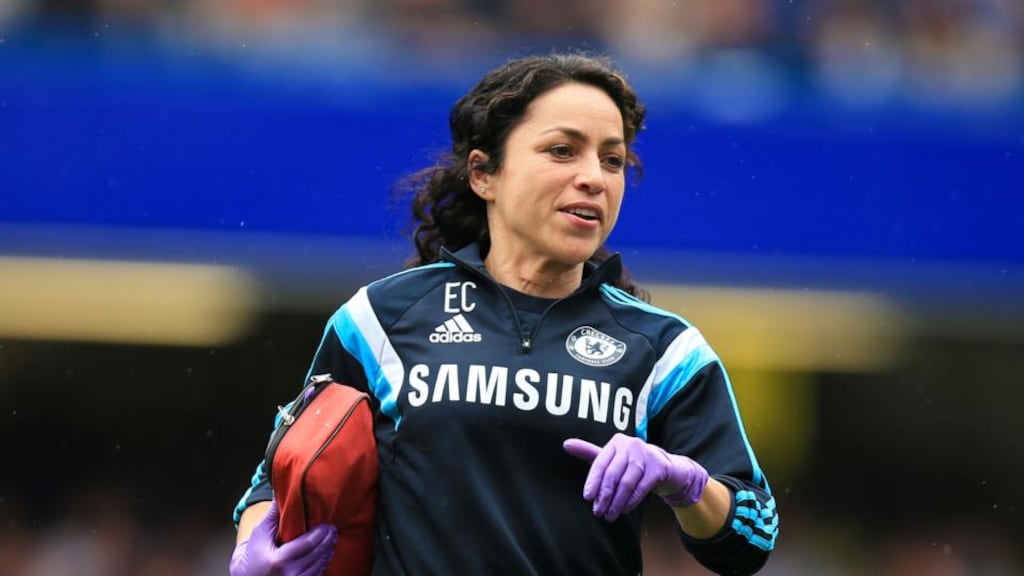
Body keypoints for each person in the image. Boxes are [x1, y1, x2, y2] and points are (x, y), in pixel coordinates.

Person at [230, 52, 778, 576]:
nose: (595, 177)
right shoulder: (378, 319)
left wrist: (686, 483)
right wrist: (251, 546)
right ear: (483, 174)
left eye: (612, 159)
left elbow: (752, 538)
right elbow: (279, 473)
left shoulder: (666, 350)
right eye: (563, 151)